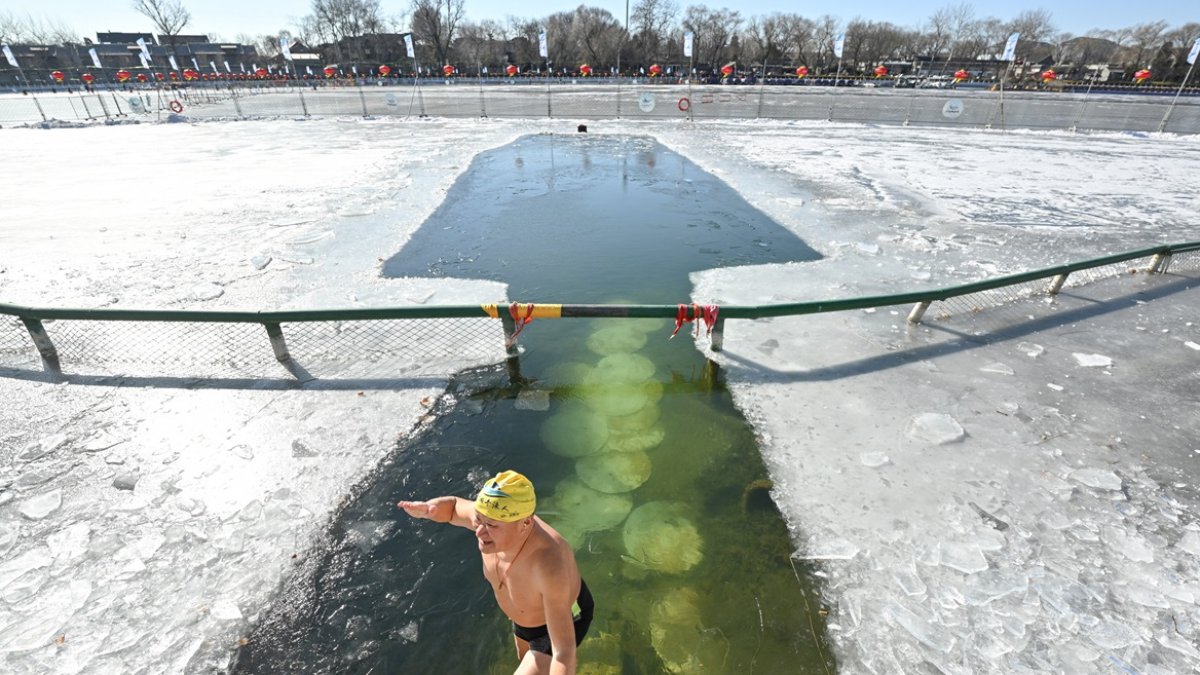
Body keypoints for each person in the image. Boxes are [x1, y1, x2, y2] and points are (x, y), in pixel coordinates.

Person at [397, 470, 593, 674]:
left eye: (491, 525)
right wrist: (430, 509)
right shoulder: (491, 518)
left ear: (525, 523)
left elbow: (563, 652)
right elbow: (454, 508)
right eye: (478, 520)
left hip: (564, 617)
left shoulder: (549, 565)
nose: (479, 532)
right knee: (523, 658)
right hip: (525, 620)